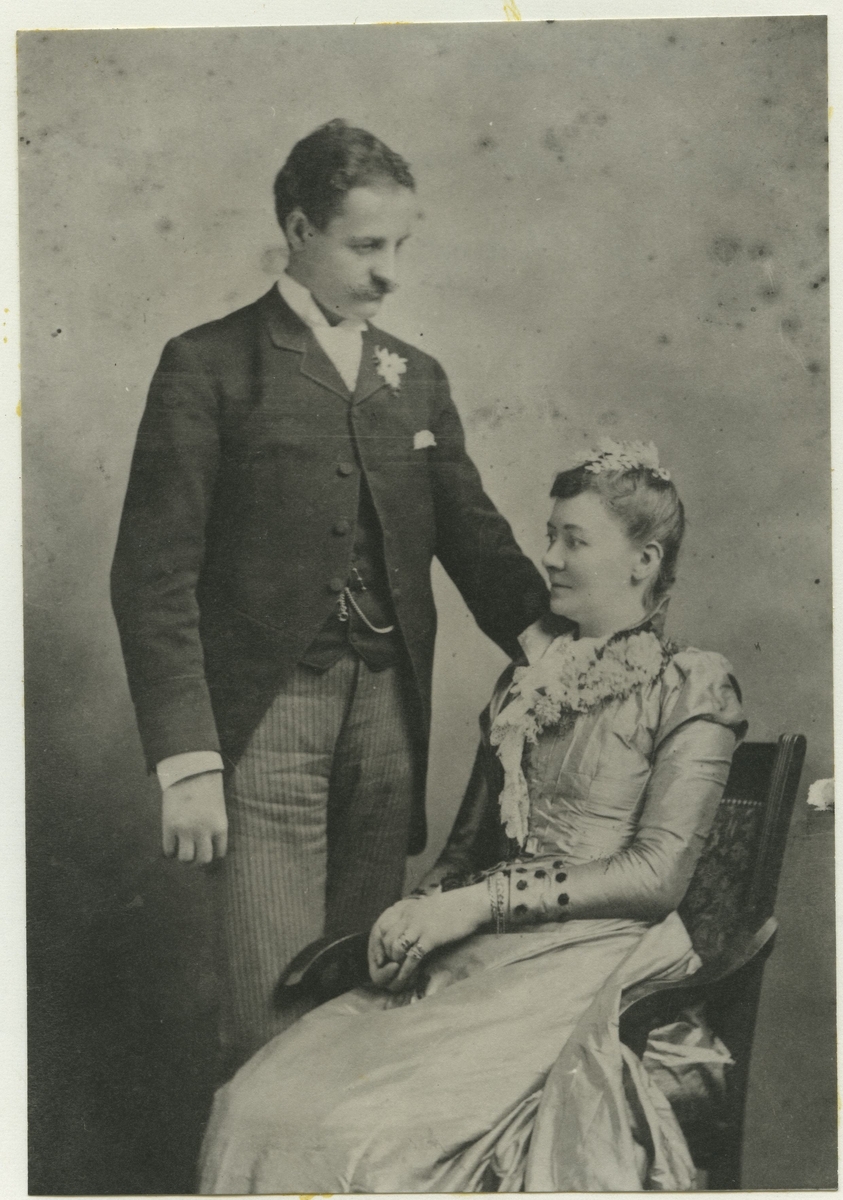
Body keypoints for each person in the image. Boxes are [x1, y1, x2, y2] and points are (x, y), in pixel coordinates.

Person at [197, 439, 747, 1193]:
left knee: (371, 1133)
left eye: (573, 541)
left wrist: (474, 905)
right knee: (254, 1102)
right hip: (487, 955)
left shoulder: (691, 684)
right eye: (549, 536)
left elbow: (656, 876)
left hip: (599, 963)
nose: (548, 558)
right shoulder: (525, 682)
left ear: (643, 560)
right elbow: (466, 852)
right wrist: (415, 915)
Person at [110, 119, 548, 1064]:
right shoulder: (208, 364)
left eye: (400, 246)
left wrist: (563, 651)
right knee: (272, 1017)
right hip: (267, 723)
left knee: (365, 1001)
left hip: (388, 721)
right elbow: (152, 575)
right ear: (300, 230)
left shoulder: (414, 378)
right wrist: (187, 761)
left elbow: (474, 537)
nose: (389, 273)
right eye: (365, 246)